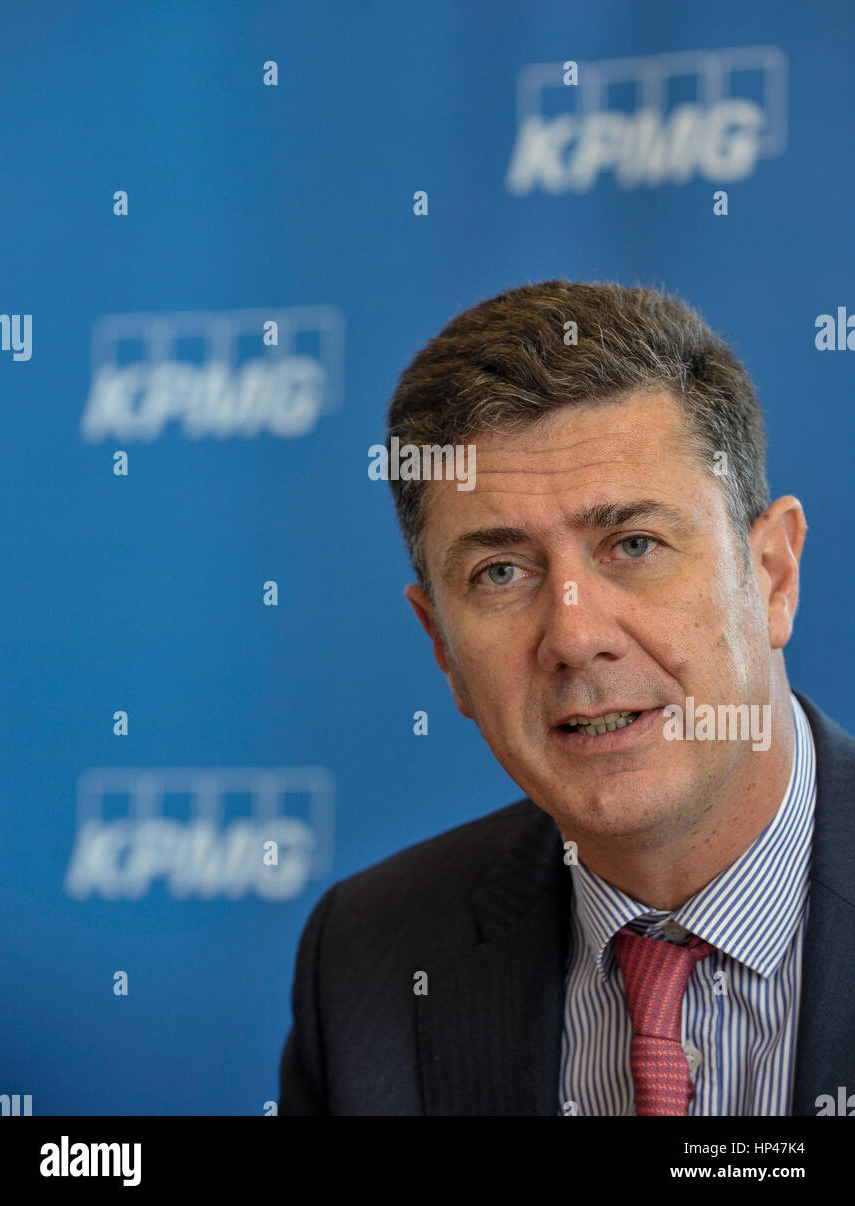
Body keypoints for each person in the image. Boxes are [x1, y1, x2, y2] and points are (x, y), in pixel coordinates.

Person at [278, 279, 855, 1116]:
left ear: (771, 576)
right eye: (500, 573)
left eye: (633, 543)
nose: (575, 636)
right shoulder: (370, 960)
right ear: (441, 645)